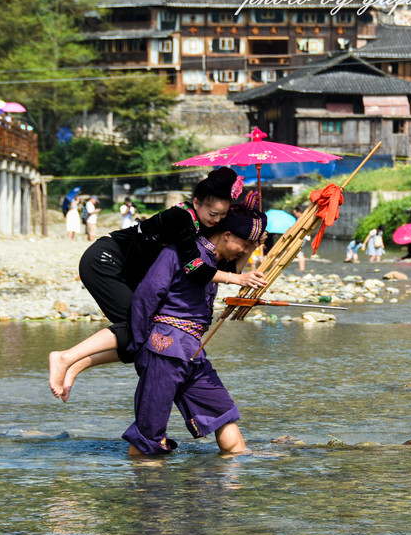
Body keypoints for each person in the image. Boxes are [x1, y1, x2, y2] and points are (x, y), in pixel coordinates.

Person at [48, 167, 266, 402]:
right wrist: (237, 279)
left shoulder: (203, 224)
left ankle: (76, 365)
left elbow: (228, 270)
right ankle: (64, 357)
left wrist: (253, 244)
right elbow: (195, 268)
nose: (216, 220)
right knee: (137, 326)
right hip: (105, 260)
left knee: (146, 339)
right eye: (213, 213)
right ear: (196, 202)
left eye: (222, 216)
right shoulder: (181, 218)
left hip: (127, 271)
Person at [122, 204, 268, 456]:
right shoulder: (180, 252)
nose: (244, 251)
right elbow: (145, 297)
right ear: (226, 235)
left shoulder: (213, 261)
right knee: (149, 435)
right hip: (164, 349)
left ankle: (231, 489)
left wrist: (255, 243)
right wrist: (139, 347)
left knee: (224, 415)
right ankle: (147, 491)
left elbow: (233, 272)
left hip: (193, 352)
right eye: (243, 245)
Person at [291, 205, 307, 270]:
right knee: (299, 252)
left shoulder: (302, 219)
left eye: (295, 214)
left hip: (301, 237)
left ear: (299, 212)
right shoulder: (304, 218)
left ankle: (301, 269)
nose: (295, 215)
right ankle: (301, 269)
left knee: (299, 252)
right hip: (302, 237)